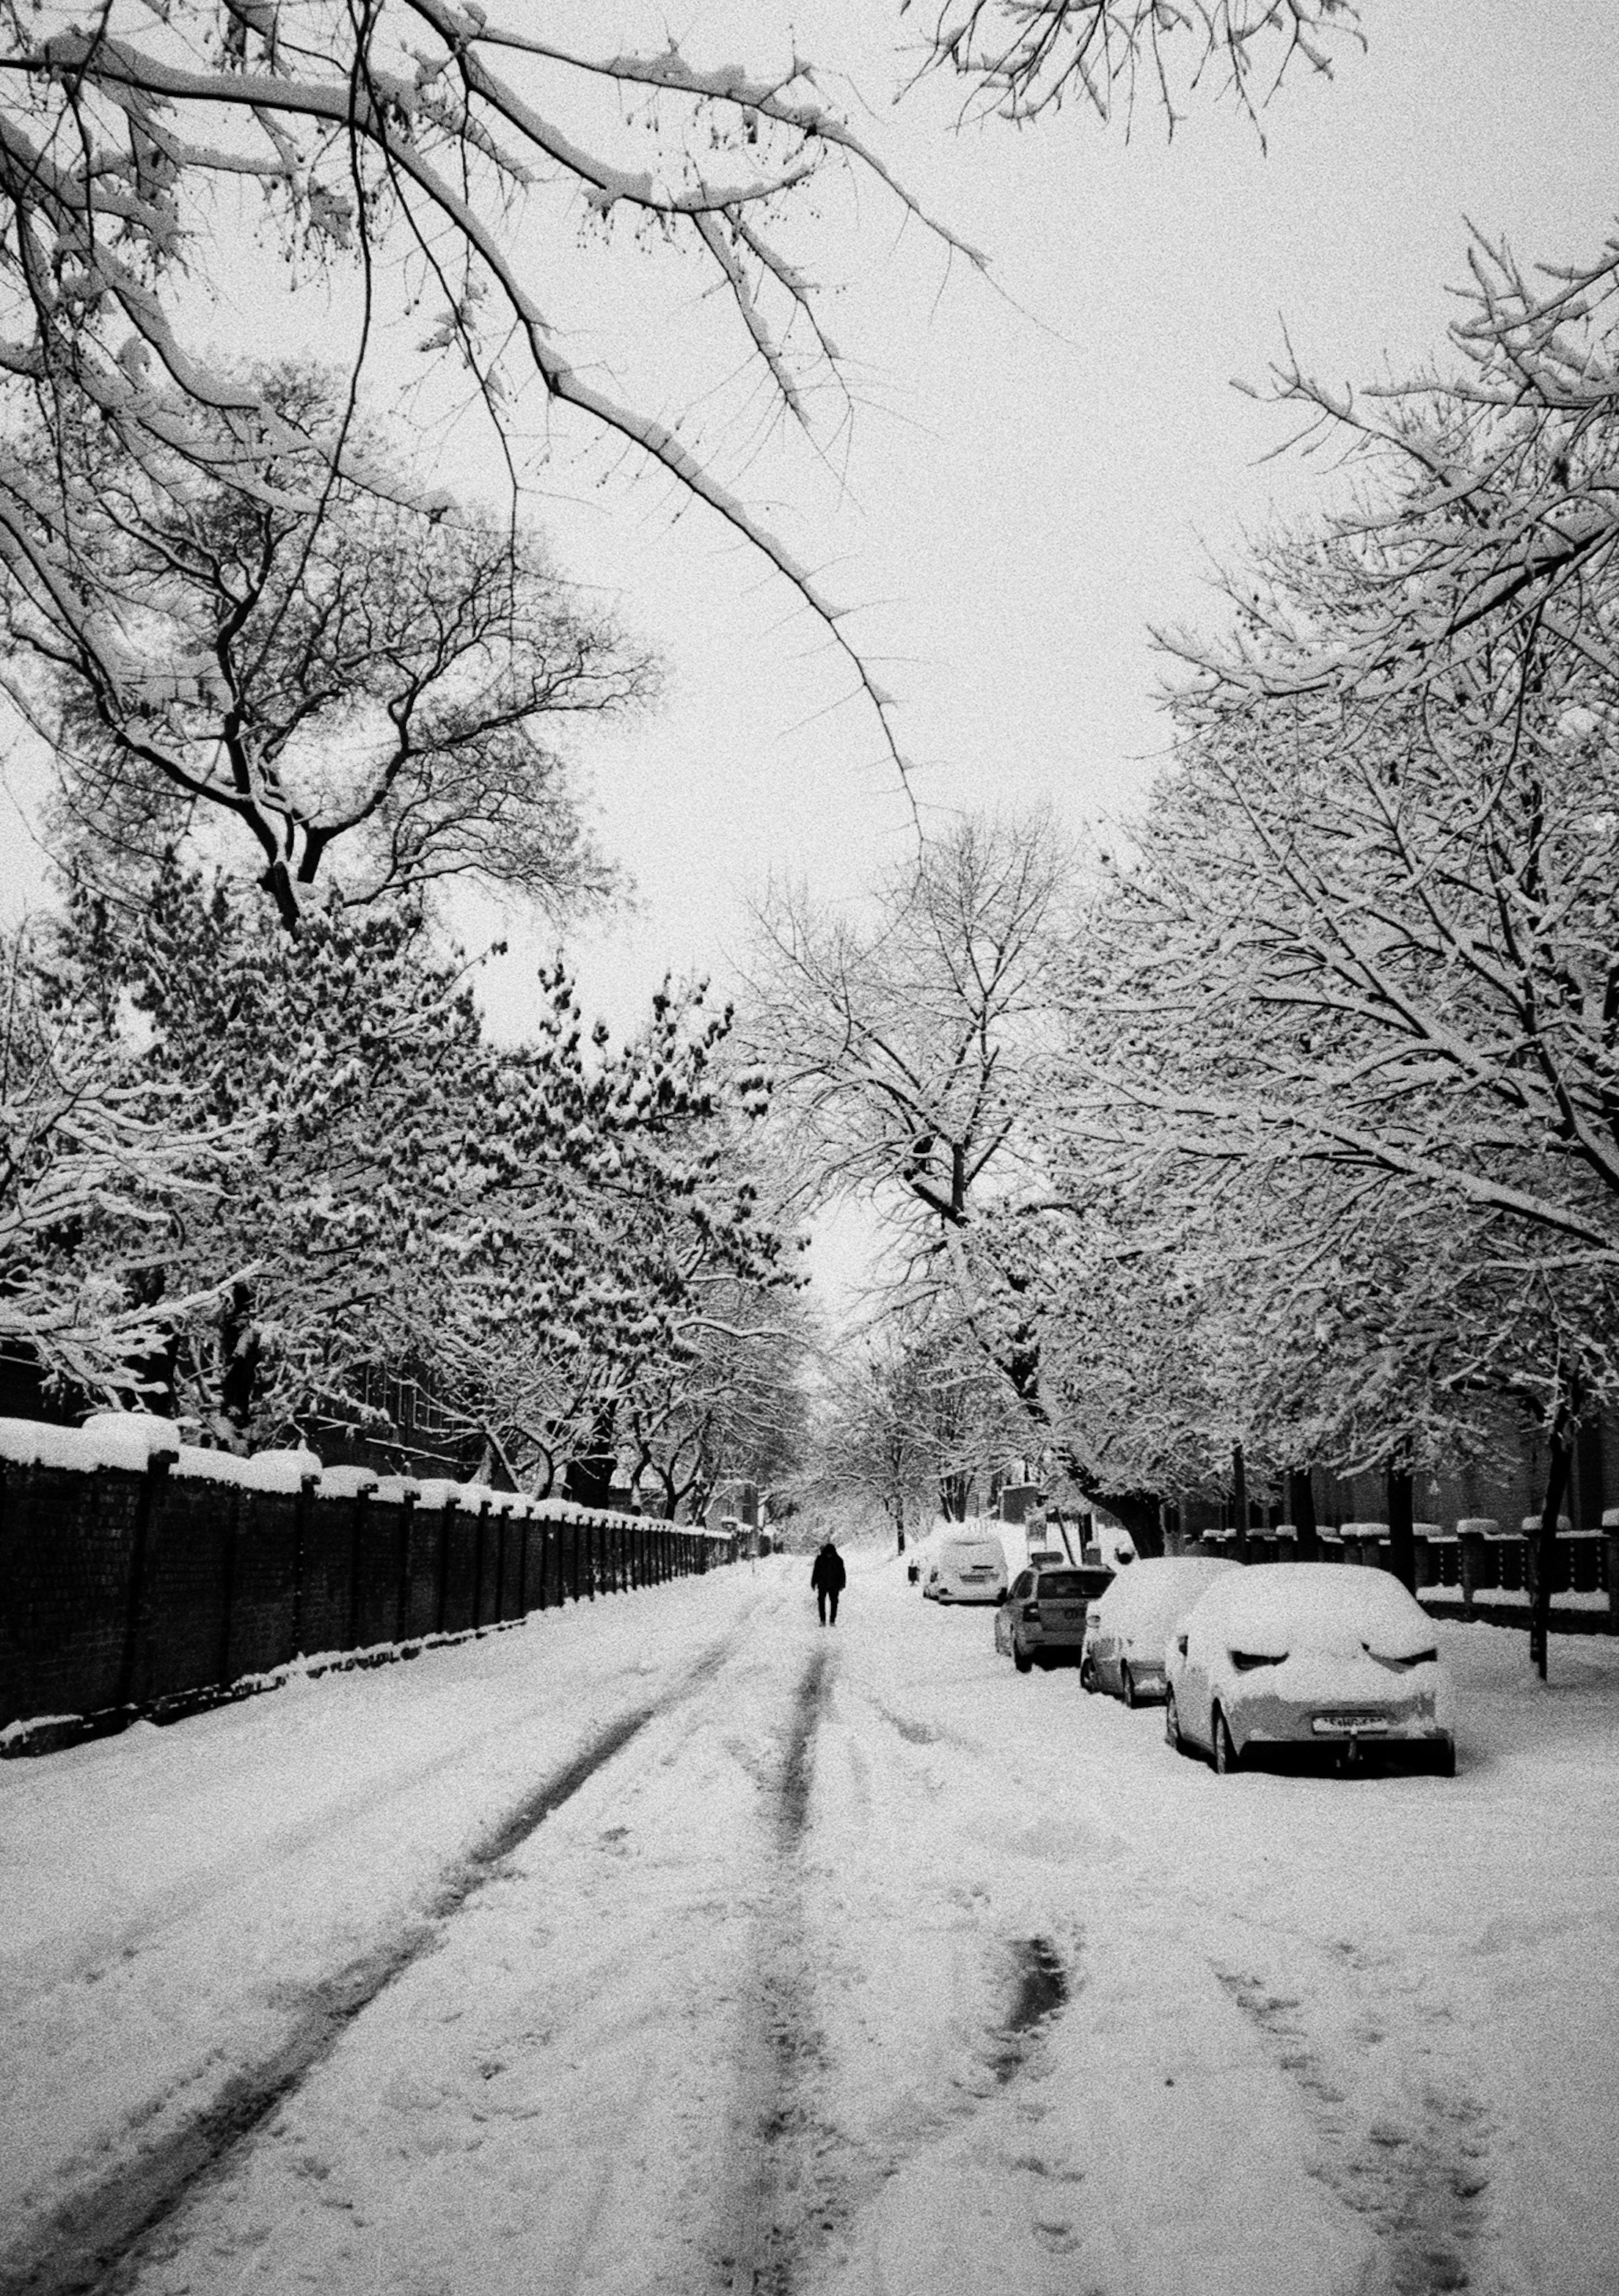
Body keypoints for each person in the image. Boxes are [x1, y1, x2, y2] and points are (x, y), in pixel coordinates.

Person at [811, 1537, 847, 1626]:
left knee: (834, 1603)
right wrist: (813, 1582)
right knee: (821, 1602)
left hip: (835, 1585)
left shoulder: (839, 1560)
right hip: (822, 1584)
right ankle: (822, 1620)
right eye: (828, 1554)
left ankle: (832, 1620)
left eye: (831, 1554)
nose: (829, 1555)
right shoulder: (820, 1559)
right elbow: (816, 1571)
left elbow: (842, 1573)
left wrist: (842, 1584)